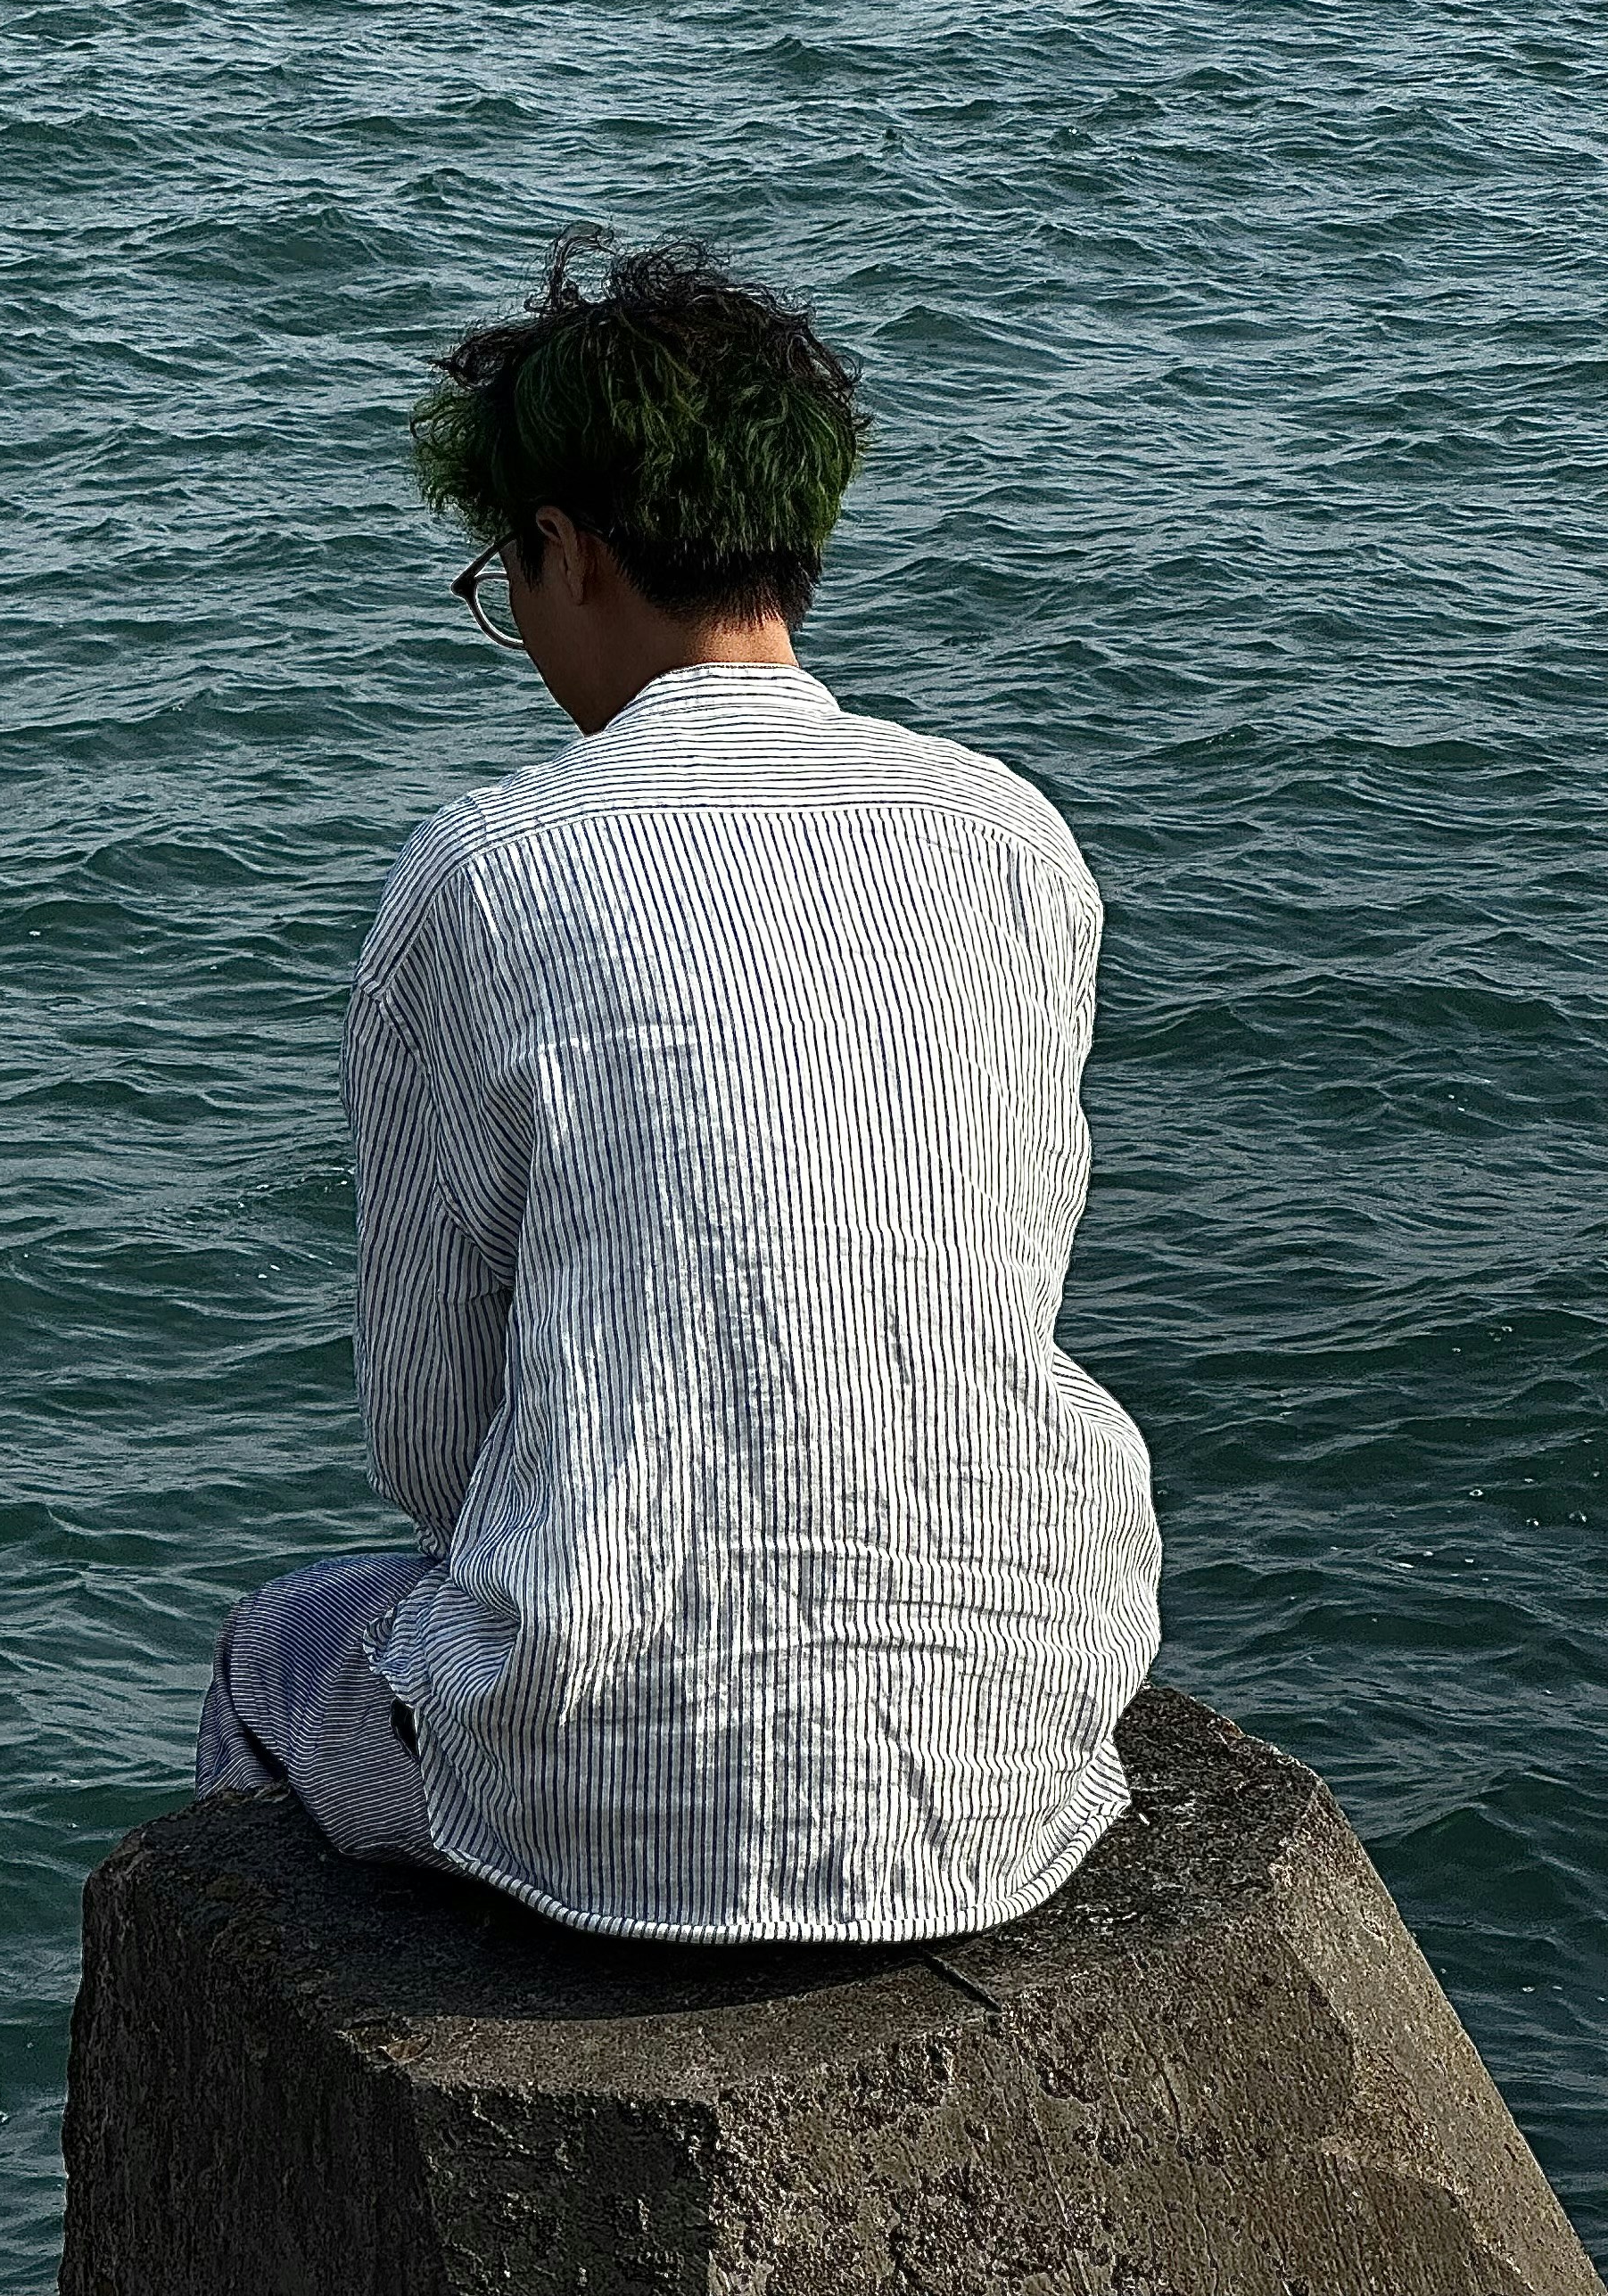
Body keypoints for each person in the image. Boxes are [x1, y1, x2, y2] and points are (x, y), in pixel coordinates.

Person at [197, 232, 1161, 1944]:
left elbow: (430, 1446)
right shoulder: (1009, 836)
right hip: (1004, 1764)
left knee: (278, 1648)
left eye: (506, 571)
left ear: (566, 549)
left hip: (614, 1816)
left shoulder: (490, 867)